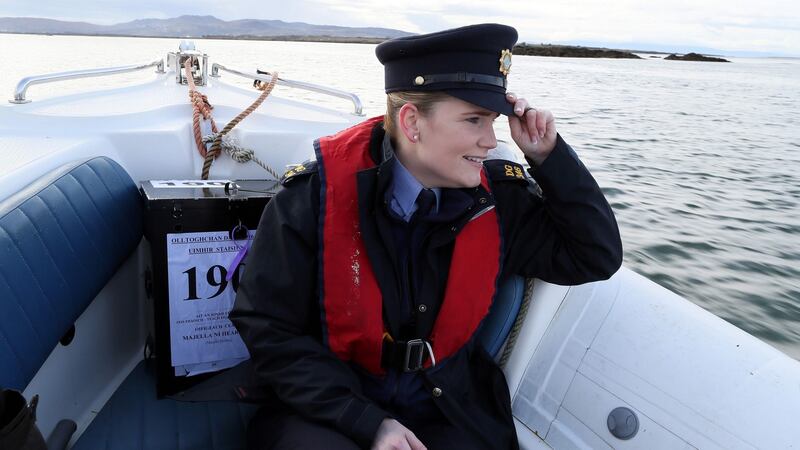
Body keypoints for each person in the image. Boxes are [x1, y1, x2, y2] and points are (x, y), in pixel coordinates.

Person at [230, 23, 622, 450]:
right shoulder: (312, 199)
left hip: (447, 405)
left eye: (492, 121)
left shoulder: (499, 202)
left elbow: (594, 255)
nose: (491, 141)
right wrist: (367, 422)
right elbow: (268, 327)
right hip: (331, 405)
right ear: (412, 122)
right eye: (474, 120)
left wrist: (548, 155)